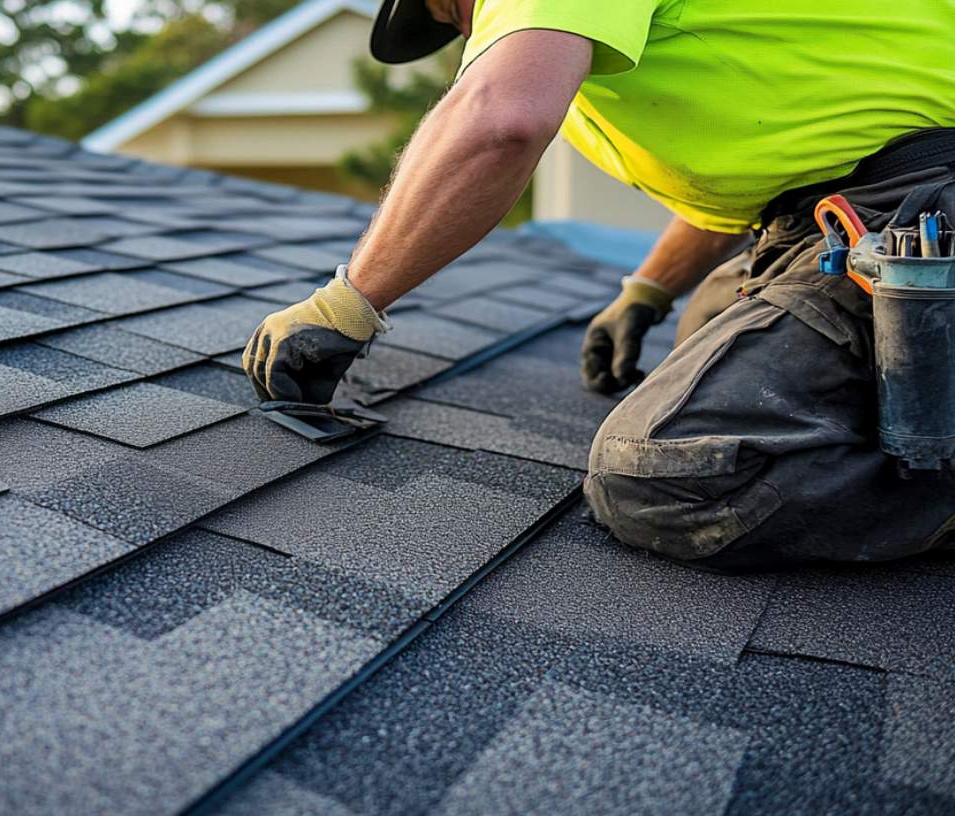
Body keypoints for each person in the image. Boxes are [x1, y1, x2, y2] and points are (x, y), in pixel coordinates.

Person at [241, 0, 955, 571]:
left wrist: (347, 302)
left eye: (447, 11)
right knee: (708, 322)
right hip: (860, 209)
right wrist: (648, 289)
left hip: (922, 220)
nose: (466, 28)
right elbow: (790, 172)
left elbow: (501, 121)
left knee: (667, 474)